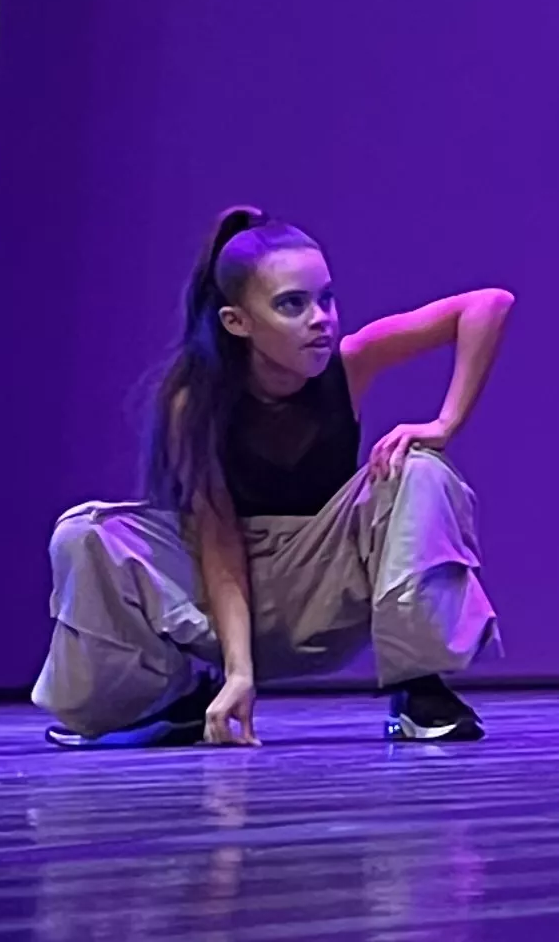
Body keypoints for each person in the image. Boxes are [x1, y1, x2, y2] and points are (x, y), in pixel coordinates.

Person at [35, 208, 512, 746]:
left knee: (420, 471)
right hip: (225, 602)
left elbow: (487, 305)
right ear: (237, 321)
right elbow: (219, 545)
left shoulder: (348, 363)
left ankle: (419, 686)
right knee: (85, 533)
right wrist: (240, 672)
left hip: (322, 586)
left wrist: (445, 423)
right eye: (292, 304)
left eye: (326, 299)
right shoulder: (194, 401)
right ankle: (166, 702)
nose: (321, 319)